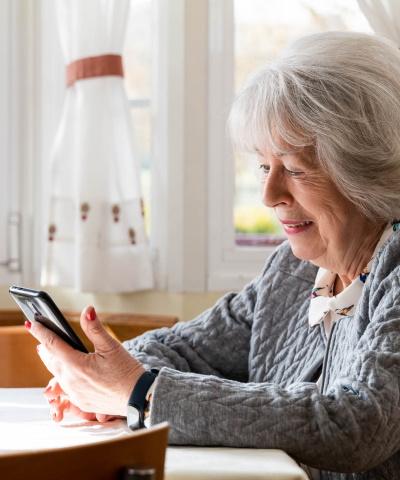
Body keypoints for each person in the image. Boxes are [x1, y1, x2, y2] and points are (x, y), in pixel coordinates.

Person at [27, 31, 400, 479]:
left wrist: (142, 393)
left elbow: (355, 423)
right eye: (265, 166)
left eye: (296, 169)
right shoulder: (291, 270)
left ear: (365, 168)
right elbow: (183, 349)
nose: (269, 194)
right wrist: (101, 380)